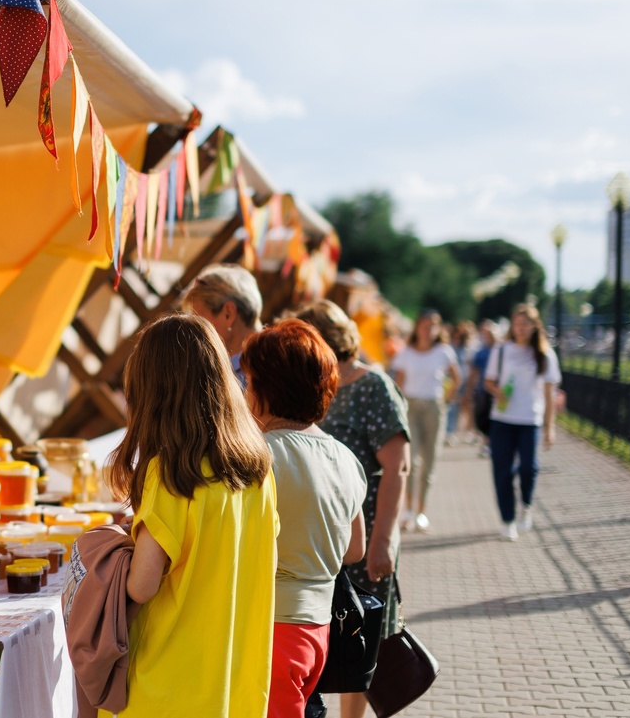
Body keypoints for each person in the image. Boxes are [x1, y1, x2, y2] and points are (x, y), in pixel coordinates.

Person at [108, 313, 277, 717]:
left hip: (165, 685)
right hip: (233, 685)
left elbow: (142, 586)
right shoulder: (258, 470)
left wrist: (114, 544)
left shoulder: (169, 472)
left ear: (154, 390)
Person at [240, 320, 366, 717]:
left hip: (268, 629)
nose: (243, 391)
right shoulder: (345, 457)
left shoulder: (258, 457)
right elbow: (355, 549)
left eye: (249, 380)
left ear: (266, 390)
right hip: (318, 628)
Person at [294, 300, 410, 718]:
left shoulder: (371, 385)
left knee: (356, 638)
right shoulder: (313, 383)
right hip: (325, 531)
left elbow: (398, 466)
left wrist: (384, 541)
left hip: (364, 528)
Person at [484, 304, 561, 541]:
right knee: (502, 471)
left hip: (530, 419)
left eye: (525, 323)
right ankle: (508, 520)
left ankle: (526, 504)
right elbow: (488, 381)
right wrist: (498, 392)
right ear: (512, 325)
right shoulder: (502, 350)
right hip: (502, 419)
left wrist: (550, 427)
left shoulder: (545, 354)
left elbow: (549, 394)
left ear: (534, 326)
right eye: (517, 323)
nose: (521, 328)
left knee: (529, 468)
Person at [390, 309, 459, 532]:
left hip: (433, 406)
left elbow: (456, 378)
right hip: (411, 406)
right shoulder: (406, 353)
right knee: (411, 460)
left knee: (429, 460)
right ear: (417, 327)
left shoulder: (443, 352)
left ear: (438, 329)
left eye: (433, 326)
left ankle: (421, 511)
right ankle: (408, 509)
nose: (428, 330)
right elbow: (398, 384)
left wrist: (445, 399)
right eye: (424, 325)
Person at [179, 263, 263, 387]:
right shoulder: (274, 363)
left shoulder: (253, 376)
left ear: (228, 314)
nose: (194, 332)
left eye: (199, 321)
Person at [466, 321, 499, 456]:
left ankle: (492, 443)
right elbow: (474, 372)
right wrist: (469, 390)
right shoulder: (481, 352)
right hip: (484, 390)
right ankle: (486, 442)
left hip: (499, 391)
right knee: (484, 418)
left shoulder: (501, 351)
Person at [446, 321, 476, 443]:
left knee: (464, 407)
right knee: (452, 406)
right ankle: (450, 431)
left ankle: (464, 430)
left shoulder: (468, 349)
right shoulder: (450, 347)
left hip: (466, 381)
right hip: (452, 380)